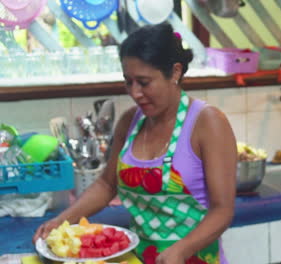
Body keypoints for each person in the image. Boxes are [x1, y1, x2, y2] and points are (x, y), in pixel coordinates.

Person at [34, 23, 237, 264]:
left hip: (194, 258)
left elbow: (222, 210)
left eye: (144, 82)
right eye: (128, 81)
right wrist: (63, 221)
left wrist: (182, 250)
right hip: (137, 258)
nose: (134, 92)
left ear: (174, 72)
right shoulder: (130, 121)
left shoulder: (207, 122)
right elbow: (107, 185)